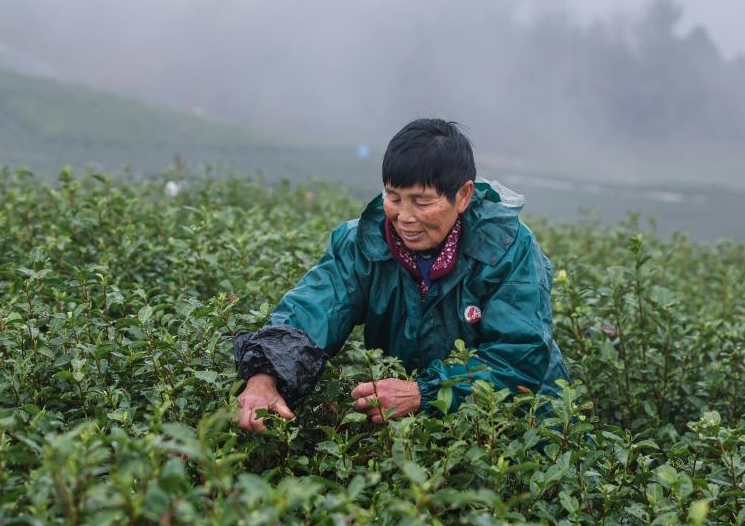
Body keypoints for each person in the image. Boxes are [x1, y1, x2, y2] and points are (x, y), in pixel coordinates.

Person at [234, 119, 569, 433]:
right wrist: (264, 377)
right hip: (405, 427)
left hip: (525, 425)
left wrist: (422, 393)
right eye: (393, 197)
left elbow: (519, 356)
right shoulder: (362, 243)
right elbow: (315, 307)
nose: (404, 217)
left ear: (463, 196)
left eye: (422, 202)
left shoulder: (508, 248)